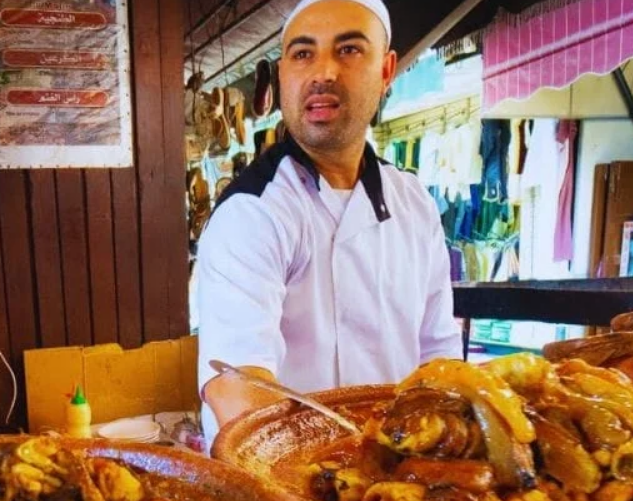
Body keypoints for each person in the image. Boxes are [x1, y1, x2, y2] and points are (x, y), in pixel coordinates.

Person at [196, 0, 462, 445]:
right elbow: (238, 391)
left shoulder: (414, 203)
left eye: (349, 50)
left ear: (386, 68)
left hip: (403, 471)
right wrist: (340, 479)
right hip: (285, 484)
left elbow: (438, 355)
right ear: (283, 74)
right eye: (303, 54)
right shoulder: (253, 212)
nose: (323, 72)